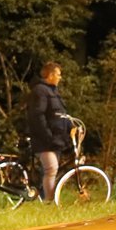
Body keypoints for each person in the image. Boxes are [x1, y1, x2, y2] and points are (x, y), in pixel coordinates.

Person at [25, 61, 73, 202]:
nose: (60, 77)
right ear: (51, 75)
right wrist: (48, 136)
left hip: (55, 139)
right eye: (58, 74)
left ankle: (45, 197)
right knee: (51, 169)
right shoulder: (40, 90)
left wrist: (71, 127)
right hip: (45, 140)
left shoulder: (53, 91)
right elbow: (37, 116)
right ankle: (49, 202)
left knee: (51, 170)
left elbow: (60, 114)